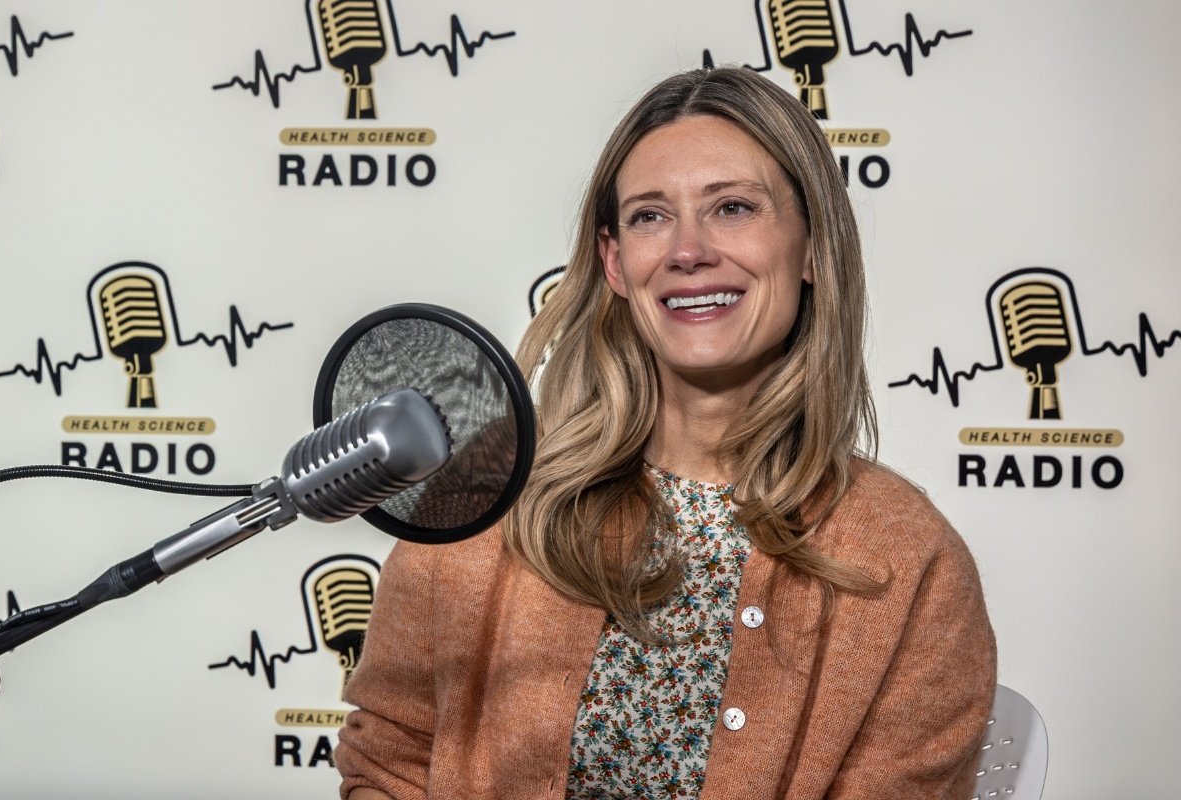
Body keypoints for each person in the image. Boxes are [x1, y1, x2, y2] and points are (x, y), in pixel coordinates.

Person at [334, 66, 996, 799]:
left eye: (734, 208)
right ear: (615, 262)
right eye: (651, 216)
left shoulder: (909, 560)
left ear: (812, 248)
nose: (688, 250)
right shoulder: (487, 493)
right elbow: (388, 762)